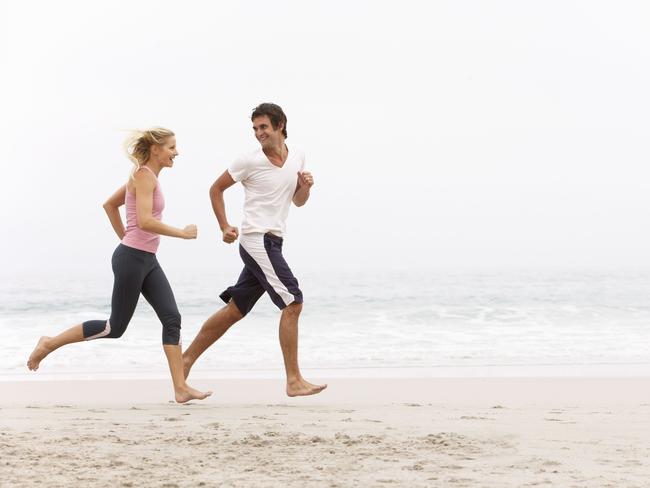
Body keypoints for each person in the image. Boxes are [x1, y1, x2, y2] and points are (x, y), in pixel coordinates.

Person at [27, 128, 212, 404]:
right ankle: (49, 343)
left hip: (145, 258)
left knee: (172, 318)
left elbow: (110, 206)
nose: (177, 152)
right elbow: (146, 221)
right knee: (115, 327)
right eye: (172, 147)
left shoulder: (142, 177)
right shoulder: (143, 177)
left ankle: (180, 388)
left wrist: (128, 238)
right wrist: (180, 233)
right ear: (155, 150)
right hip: (132, 259)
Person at [182, 103, 327, 397]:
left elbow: (298, 202)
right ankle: (294, 380)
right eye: (255, 129)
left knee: (236, 309)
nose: (259, 133)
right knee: (293, 302)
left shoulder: (297, 155)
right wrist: (224, 226)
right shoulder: (247, 161)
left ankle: (184, 362)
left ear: (280, 125)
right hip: (256, 239)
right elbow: (216, 189)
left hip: (274, 240)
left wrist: (305, 187)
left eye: (264, 127)